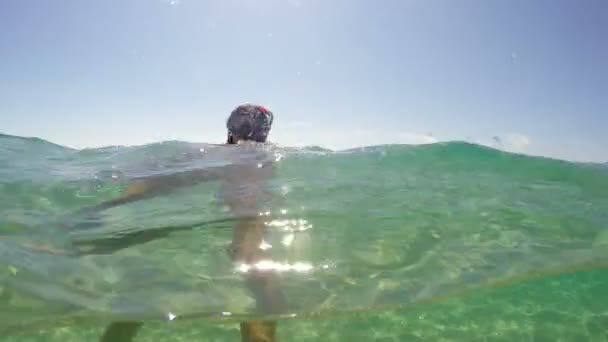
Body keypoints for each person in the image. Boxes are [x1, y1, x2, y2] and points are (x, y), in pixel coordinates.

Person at [98, 104, 286, 342]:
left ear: (230, 127)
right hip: (240, 232)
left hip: (195, 228)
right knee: (261, 293)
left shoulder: (213, 153)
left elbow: (158, 180)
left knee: (142, 296)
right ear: (266, 131)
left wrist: (113, 203)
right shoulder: (268, 157)